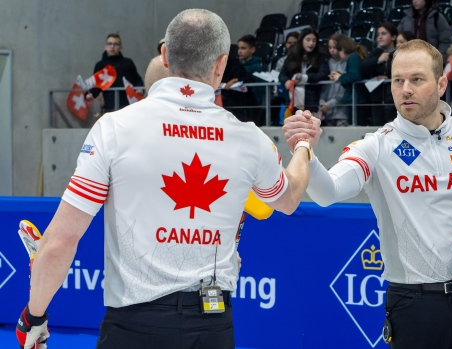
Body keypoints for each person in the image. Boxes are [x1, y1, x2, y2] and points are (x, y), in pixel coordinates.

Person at [15, 9, 314, 349]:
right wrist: (303, 145)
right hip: (212, 326)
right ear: (221, 65)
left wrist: (33, 317)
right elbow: (289, 199)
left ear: (165, 55)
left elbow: (60, 241)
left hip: (134, 327)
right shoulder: (248, 137)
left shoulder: (115, 129)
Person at [283, 39, 452, 349]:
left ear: (440, 84)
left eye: (416, 79)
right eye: (398, 80)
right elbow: (327, 192)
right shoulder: (377, 146)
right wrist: (307, 152)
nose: (405, 89)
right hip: (413, 303)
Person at [85, 33, 144, 113]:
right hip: (109, 105)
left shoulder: (128, 63)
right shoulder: (100, 65)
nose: (112, 46)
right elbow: (97, 85)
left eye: (116, 44)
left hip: (128, 105)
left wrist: (139, 88)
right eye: (109, 44)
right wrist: (90, 94)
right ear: (105, 47)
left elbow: (137, 79)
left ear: (120, 47)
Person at [279, 28, 329, 113]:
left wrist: (305, 78)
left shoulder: (321, 57)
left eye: (314, 40)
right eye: (308, 40)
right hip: (293, 99)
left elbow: (323, 74)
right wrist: (286, 81)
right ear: (301, 40)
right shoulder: (292, 55)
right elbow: (282, 74)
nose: (311, 43)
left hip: (312, 99)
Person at [360, 22, 398, 126]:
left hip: (394, 99)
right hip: (376, 99)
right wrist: (378, 60)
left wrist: (388, 77)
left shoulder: (399, 53)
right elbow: (362, 67)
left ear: (393, 37)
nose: (380, 37)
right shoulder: (376, 53)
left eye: (383, 34)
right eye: (378, 34)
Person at [325, 34, 366, 126]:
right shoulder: (354, 56)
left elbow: (355, 76)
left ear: (343, 49)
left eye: (338, 49)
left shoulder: (353, 57)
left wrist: (340, 77)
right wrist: (341, 75)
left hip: (357, 101)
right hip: (355, 101)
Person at [319, 36, 347, 125]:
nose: (332, 50)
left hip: (342, 111)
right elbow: (323, 86)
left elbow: (345, 90)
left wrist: (331, 103)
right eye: (330, 47)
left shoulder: (347, 63)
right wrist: (322, 102)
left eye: (335, 47)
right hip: (326, 110)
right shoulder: (326, 63)